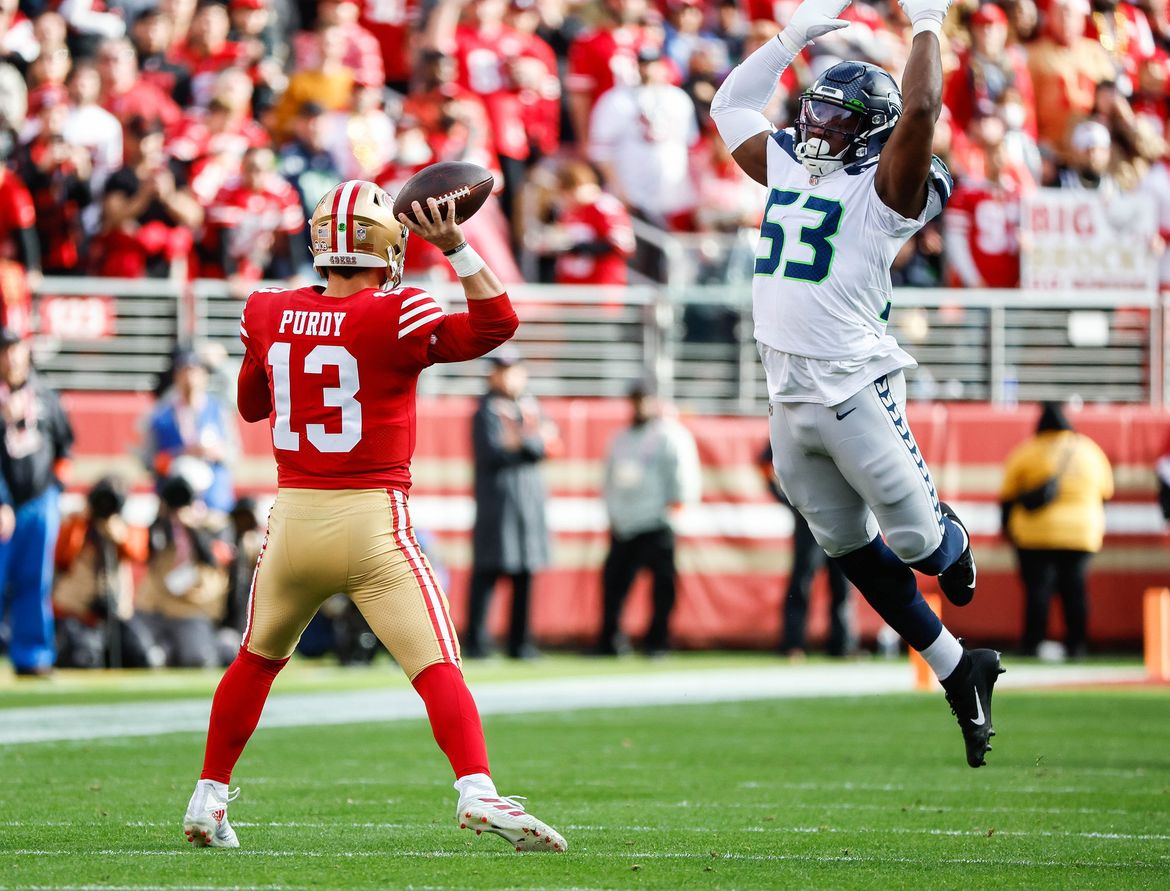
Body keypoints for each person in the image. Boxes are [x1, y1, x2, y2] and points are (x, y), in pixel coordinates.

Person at [182, 179, 566, 853]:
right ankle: (476, 788)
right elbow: (497, 325)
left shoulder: (267, 310)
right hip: (371, 521)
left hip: (294, 520)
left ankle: (209, 796)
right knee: (437, 665)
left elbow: (249, 406)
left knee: (255, 660)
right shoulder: (400, 311)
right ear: (387, 247)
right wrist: (456, 246)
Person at [710, 0, 1004, 768]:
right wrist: (794, 36)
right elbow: (729, 104)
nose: (817, 129)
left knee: (917, 546)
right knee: (843, 542)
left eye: (838, 120)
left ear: (872, 133)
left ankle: (954, 538)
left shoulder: (884, 191)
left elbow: (925, 106)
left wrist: (928, 21)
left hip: (853, 388)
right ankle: (955, 666)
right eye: (817, 112)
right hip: (786, 395)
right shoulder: (785, 159)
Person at [999, 402, 1114, 659]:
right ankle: (1077, 645)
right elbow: (1106, 492)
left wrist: (1006, 530)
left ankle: (1033, 644)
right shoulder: (1090, 451)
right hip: (1081, 532)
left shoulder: (1027, 451)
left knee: (1038, 591)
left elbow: (1007, 495)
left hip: (1034, 534)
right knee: (1075, 590)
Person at [464, 347, 557, 660]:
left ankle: (521, 644)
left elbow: (548, 445)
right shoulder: (486, 411)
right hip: (497, 504)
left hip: (528, 504)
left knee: (525, 575)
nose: (506, 376)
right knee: (487, 573)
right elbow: (496, 451)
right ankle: (477, 642)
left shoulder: (530, 407)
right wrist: (529, 441)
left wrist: (522, 441)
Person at [595, 380, 700, 657]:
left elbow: (682, 477)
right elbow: (610, 479)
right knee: (613, 586)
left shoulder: (668, 435)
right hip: (625, 523)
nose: (640, 405)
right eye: (635, 399)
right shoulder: (621, 438)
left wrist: (674, 512)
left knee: (662, 589)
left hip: (657, 521)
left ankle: (657, 642)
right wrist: (613, 513)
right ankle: (611, 641)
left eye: (645, 399)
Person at [0, 327, 73, 676]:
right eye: (4, 351)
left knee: (36, 580)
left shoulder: (45, 396)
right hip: (4, 504)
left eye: (16, 349)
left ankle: (33, 656)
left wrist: (55, 490)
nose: (11, 357)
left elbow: (65, 447)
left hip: (39, 502)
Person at [758, 442, 854, 658]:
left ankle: (842, 644)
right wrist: (788, 500)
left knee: (842, 583)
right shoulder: (797, 422)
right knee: (802, 582)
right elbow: (765, 462)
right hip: (810, 517)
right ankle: (793, 643)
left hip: (840, 516)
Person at [53, 475, 157, 669]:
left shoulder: (124, 528)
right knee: (84, 659)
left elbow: (139, 554)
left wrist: (118, 535)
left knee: (143, 656)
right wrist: (82, 524)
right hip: (78, 614)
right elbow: (61, 557)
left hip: (116, 614)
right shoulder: (77, 525)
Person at [143, 348, 237, 516]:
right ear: (176, 376)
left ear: (204, 376)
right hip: (176, 501)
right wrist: (181, 454)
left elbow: (234, 452)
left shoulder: (218, 411)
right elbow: (149, 461)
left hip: (213, 502)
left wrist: (215, 451)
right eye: (185, 372)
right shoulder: (162, 416)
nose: (190, 378)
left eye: (195, 372)